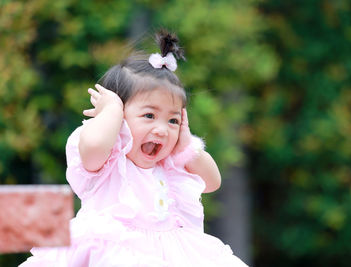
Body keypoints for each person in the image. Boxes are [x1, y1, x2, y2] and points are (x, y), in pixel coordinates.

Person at [20, 30, 248, 267]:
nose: (161, 129)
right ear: (119, 117)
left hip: (170, 254)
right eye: (149, 115)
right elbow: (94, 148)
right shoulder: (109, 159)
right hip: (112, 253)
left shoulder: (169, 164)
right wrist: (111, 111)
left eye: (173, 120)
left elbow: (212, 182)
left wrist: (186, 143)